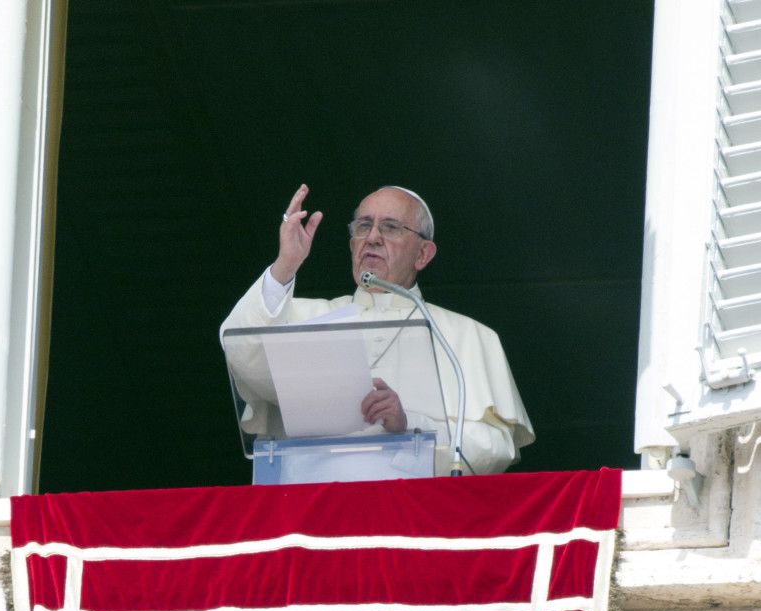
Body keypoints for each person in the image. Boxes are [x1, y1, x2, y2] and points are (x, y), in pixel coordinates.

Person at [221, 184, 534, 478]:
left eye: (390, 227)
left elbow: (497, 446)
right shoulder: (301, 316)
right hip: (310, 513)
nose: (372, 237)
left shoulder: (467, 336)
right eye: (363, 226)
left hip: (412, 516)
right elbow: (240, 351)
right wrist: (285, 265)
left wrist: (410, 426)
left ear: (423, 254)